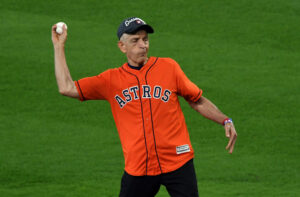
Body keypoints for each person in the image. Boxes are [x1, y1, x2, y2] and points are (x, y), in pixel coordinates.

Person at [51, 17, 237, 197]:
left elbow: (197, 99)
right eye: (135, 40)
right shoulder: (111, 80)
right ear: (122, 46)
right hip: (139, 168)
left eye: (145, 39)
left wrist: (225, 119)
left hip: (178, 161)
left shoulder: (169, 68)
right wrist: (59, 47)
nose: (143, 45)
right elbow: (66, 87)